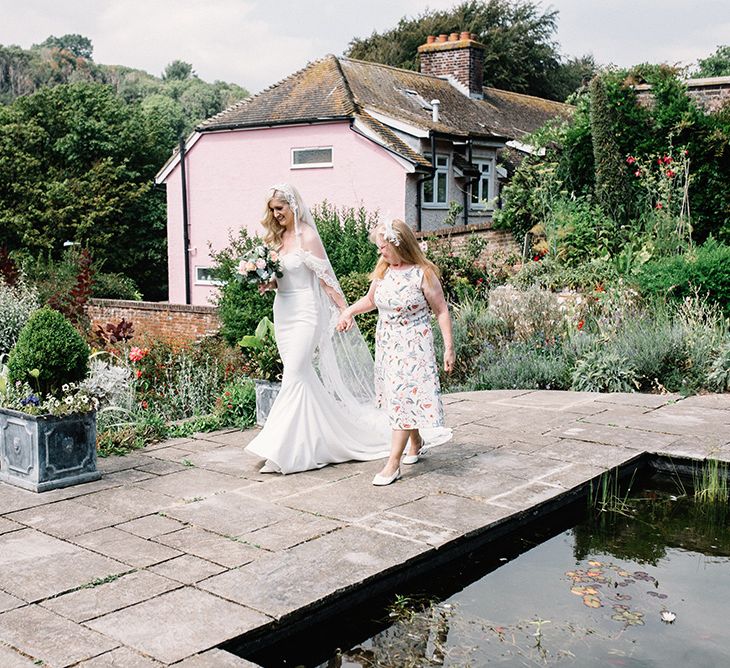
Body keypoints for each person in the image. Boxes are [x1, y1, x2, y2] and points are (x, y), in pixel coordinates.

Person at [244, 184, 391, 473]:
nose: (276, 214)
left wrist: (343, 310)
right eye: (273, 210)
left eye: (280, 209)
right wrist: (266, 283)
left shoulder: (307, 236)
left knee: (295, 374)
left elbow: (325, 279)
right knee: (301, 377)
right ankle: (314, 440)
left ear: (293, 206)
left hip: (306, 313)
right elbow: (282, 277)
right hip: (283, 312)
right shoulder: (278, 239)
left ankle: (280, 447)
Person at [337, 219, 454, 486]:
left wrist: (449, 347)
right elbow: (370, 301)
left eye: (384, 247)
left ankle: (393, 464)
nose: (381, 252)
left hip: (414, 346)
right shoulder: (384, 272)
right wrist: (348, 312)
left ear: (399, 244)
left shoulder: (422, 273)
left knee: (403, 398)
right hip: (388, 344)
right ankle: (416, 440)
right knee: (398, 398)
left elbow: (441, 310)